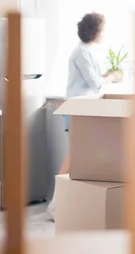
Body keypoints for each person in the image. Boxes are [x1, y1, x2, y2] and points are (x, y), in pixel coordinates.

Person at [47, 12, 121, 219]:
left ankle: (62, 203)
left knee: (79, 156)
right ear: (94, 30)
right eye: (102, 29)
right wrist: (112, 77)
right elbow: (94, 83)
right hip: (77, 110)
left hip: (84, 110)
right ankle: (55, 203)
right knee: (74, 155)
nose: (104, 33)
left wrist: (107, 77)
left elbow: (94, 80)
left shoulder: (86, 52)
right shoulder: (80, 53)